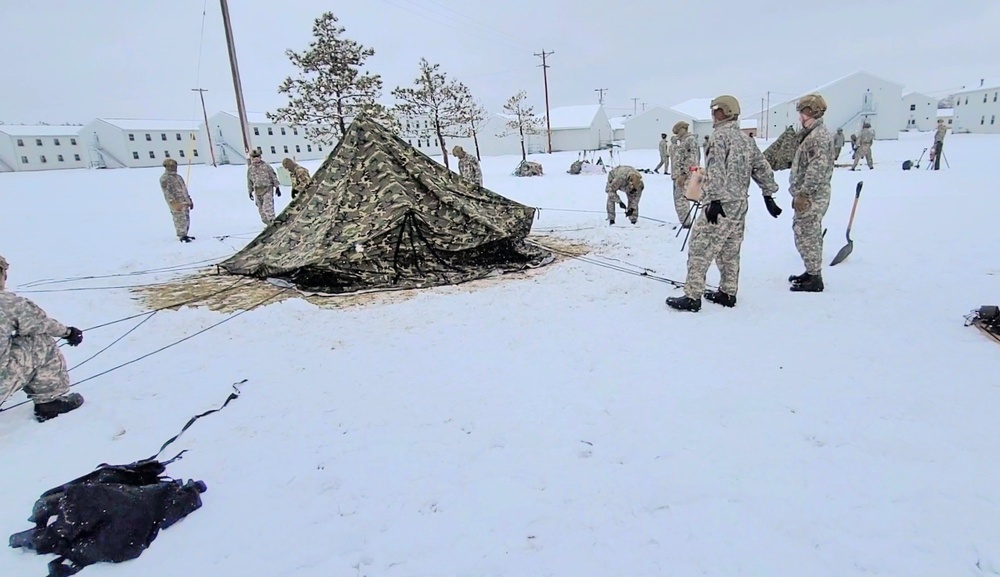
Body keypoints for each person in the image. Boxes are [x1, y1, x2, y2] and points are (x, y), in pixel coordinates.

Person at [666, 95, 781, 312]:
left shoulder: (719, 138)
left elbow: (716, 170)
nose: (712, 114)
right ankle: (728, 292)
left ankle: (692, 296)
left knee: (700, 247)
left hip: (720, 203)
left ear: (724, 112)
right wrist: (768, 193)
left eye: (715, 110)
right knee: (729, 249)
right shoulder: (746, 139)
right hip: (739, 204)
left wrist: (714, 200)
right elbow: (762, 167)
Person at [0, 256, 85, 421]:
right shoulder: (8, 303)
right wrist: (68, 332)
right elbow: (40, 323)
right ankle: (49, 400)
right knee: (38, 340)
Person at [787, 94, 834, 293]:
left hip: (812, 196)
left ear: (813, 112)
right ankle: (811, 271)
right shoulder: (811, 134)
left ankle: (815, 278)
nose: (800, 117)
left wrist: (804, 194)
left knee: (809, 234)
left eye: (803, 113)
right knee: (803, 232)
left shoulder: (818, 137)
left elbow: (816, 168)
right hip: (807, 194)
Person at [669, 121, 701, 228]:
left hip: (684, 176)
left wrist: (683, 175)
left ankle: (687, 224)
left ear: (683, 129)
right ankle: (686, 221)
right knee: (680, 200)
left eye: (678, 132)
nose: (677, 134)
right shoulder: (683, 141)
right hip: (680, 176)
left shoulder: (689, 140)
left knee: (681, 200)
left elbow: (691, 160)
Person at [159, 159, 194, 242]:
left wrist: (189, 200)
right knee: (179, 219)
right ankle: (182, 236)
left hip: (184, 201)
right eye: (171, 166)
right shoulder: (165, 178)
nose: (173, 167)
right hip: (176, 203)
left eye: (174, 165)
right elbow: (167, 193)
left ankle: (185, 234)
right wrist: (174, 203)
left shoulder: (178, 177)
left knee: (186, 218)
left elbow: (184, 189)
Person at [247, 150, 281, 224]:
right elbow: (249, 180)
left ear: (260, 157)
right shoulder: (250, 169)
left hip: (267, 189)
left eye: (257, 157)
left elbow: (273, 176)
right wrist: (250, 191)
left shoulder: (266, 166)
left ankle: (272, 221)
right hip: (257, 190)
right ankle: (267, 223)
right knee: (261, 209)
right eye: (254, 157)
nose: (256, 159)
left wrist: (277, 187)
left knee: (268, 207)